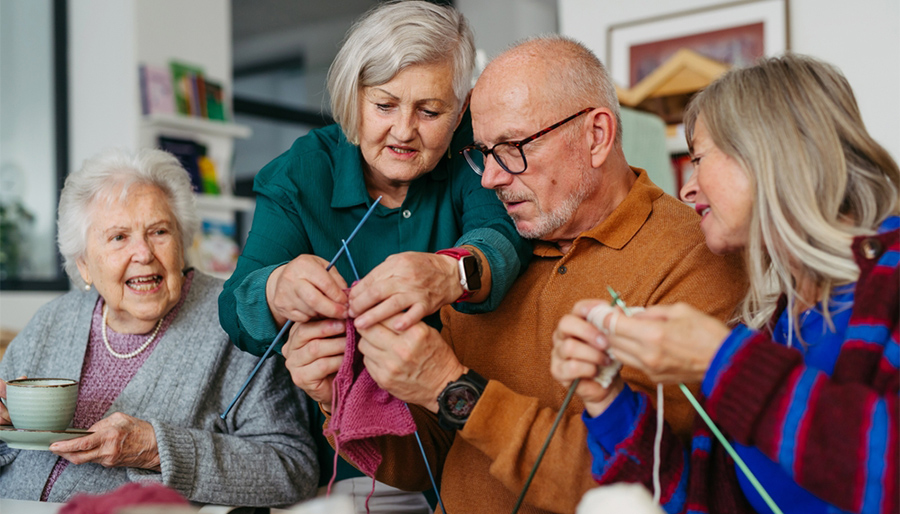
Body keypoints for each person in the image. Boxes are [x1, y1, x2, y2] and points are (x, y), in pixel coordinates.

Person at [299, 35, 746, 514]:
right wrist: (337, 392)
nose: (490, 177)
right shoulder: (490, 260)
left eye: (512, 147)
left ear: (596, 136)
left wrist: (451, 388)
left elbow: (641, 491)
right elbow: (428, 461)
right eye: (483, 152)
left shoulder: (695, 257)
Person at [552, 54, 899, 514]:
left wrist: (721, 360)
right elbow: (707, 501)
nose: (687, 189)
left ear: (769, 152)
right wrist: (608, 400)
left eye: (698, 159)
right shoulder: (775, 321)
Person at [217, 2, 530, 511]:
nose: (404, 131)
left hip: (467, 444)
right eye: (384, 106)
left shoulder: (473, 153)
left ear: (461, 109)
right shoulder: (301, 171)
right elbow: (235, 305)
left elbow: (502, 237)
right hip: (338, 463)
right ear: (353, 96)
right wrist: (277, 289)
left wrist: (453, 270)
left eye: (430, 111)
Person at [0, 148, 318, 506]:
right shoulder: (52, 320)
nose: (144, 253)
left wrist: (155, 450)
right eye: (119, 237)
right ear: (84, 264)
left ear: (181, 243)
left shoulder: (235, 322)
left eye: (159, 231)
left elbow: (293, 468)